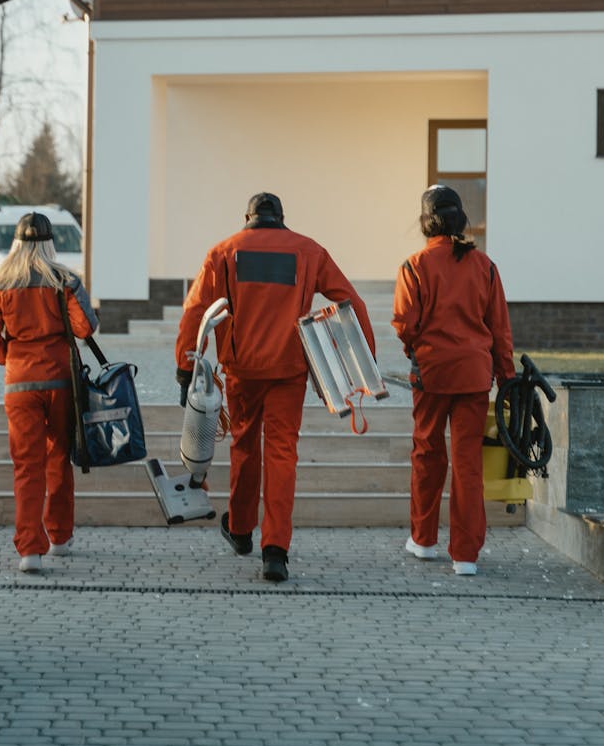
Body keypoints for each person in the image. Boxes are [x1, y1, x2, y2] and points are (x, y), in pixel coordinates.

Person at [175, 192, 376, 582]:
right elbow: (351, 301)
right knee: (282, 452)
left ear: (247, 217)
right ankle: (276, 550)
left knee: (245, 445)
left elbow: (196, 309)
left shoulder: (224, 251)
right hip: (289, 369)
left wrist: (185, 366)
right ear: (282, 218)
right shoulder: (308, 250)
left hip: (242, 369)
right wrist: (364, 363)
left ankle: (240, 529)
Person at [392, 185, 515, 576]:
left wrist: (417, 349)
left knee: (427, 455)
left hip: (431, 374)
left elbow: (404, 325)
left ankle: (424, 540)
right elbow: (500, 330)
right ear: (460, 219)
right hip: (475, 376)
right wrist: (507, 377)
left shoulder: (413, 266)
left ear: (426, 223)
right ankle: (465, 556)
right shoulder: (485, 266)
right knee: (467, 464)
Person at [0, 211, 98, 572]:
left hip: (19, 384)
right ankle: (59, 536)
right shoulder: (65, 279)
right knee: (59, 457)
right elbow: (85, 327)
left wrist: (9, 358)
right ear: (49, 242)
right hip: (61, 381)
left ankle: (29, 549)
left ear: (15, 241)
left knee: (27, 467)